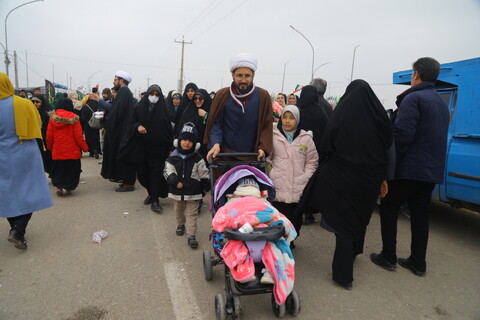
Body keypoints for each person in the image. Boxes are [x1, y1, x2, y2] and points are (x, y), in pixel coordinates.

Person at [299, 80, 392, 290]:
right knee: (360, 217)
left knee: (343, 224)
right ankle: (355, 251)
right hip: (370, 178)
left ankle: (343, 275)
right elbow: (387, 147)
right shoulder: (380, 117)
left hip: (343, 176)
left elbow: (327, 144)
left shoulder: (342, 113)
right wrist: (383, 177)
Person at [370, 57, 450, 277]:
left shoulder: (413, 99)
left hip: (408, 169)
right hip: (430, 171)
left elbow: (402, 135)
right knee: (420, 215)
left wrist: (388, 168)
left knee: (388, 207)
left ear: (416, 75)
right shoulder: (440, 103)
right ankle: (418, 262)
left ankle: (388, 256)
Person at [0, 72, 53, 249]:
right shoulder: (23, 103)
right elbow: (37, 125)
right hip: (24, 153)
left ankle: (16, 229)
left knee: (7, 193)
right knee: (30, 189)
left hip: (2, 156)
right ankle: (18, 230)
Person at [205, 53, 273, 161]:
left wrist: (263, 148)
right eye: (239, 75)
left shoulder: (263, 96)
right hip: (225, 156)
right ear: (233, 75)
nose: (243, 80)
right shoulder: (222, 95)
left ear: (253, 75)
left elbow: (266, 125)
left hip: (253, 156)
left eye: (247, 76)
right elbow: (215, 124)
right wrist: (215, 143)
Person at [268, 105, 318, 241]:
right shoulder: (274, 137)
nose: (287, 121)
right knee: (279, 216)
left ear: (298, 119)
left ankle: (292, 239)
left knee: (295, 218)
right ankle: (280, 241)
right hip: (279, 184)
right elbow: (267, 158)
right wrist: (272, 172)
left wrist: (305, 176)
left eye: (291, 118)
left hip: (298, 185)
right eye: (284, 117)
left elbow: (312, 161)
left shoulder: (306, 138)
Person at [164, 123, 210, 249]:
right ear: (178, 141)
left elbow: (204, 172)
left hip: (193, 192)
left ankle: (191, 236)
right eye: (184, 139)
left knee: (192, 214)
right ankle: (180, 223)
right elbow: (168, 171)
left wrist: (205, 186)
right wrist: (174, 181)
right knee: (178, 211)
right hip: (176, 192)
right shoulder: (172, 157)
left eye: (190, 140)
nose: (187, 143)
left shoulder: (197, 158)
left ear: (195, 144)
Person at [129, 84, 173, 212]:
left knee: (156, 174)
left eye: (157, 95)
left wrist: (170, 147)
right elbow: (132, 122)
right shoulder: (139, 107)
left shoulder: (164, 110)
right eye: (152, 94)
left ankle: (155, 200)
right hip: (142, 147)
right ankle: (150, 193)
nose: (154, 97)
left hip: (159, 149)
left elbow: (168, 130)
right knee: (142, 174)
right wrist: (138, 126)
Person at [101, 71, 137, 192]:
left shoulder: (124, 91)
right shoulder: (124, 92)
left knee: (125, 156)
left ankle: (128, 184)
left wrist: (109, 122)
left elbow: (117, 112)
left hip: (123, 132)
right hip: (123, 131)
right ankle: (125, 181)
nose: (113, 81)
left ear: (121, 81)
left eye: (115, 79)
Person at [47, 98, 89, 195]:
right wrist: (85, 148)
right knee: (71, 170)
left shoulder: (53, 118)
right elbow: (78, 136)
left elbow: (49, 135)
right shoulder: (74, 118)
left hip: (58, 150)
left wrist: (49, 147)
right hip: (72, 151)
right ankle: (69, 188)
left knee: (59, 170)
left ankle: (59, 187)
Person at [175, 88, 211, 159]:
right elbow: (181, 129)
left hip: (206, 148)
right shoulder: (188, 112)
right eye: (195, 98)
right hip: (190, 148)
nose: (197, 101)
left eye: (200, 98)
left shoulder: (210, 111)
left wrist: (206, 116)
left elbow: (214, 125)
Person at [31, 94, 53, 174]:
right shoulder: (31, 112)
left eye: (37, 102)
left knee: (48, 158)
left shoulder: (47, 114)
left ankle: (53, 174)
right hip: (36, 140)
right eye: (33, 102)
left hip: (46, 140)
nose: (35, 104)